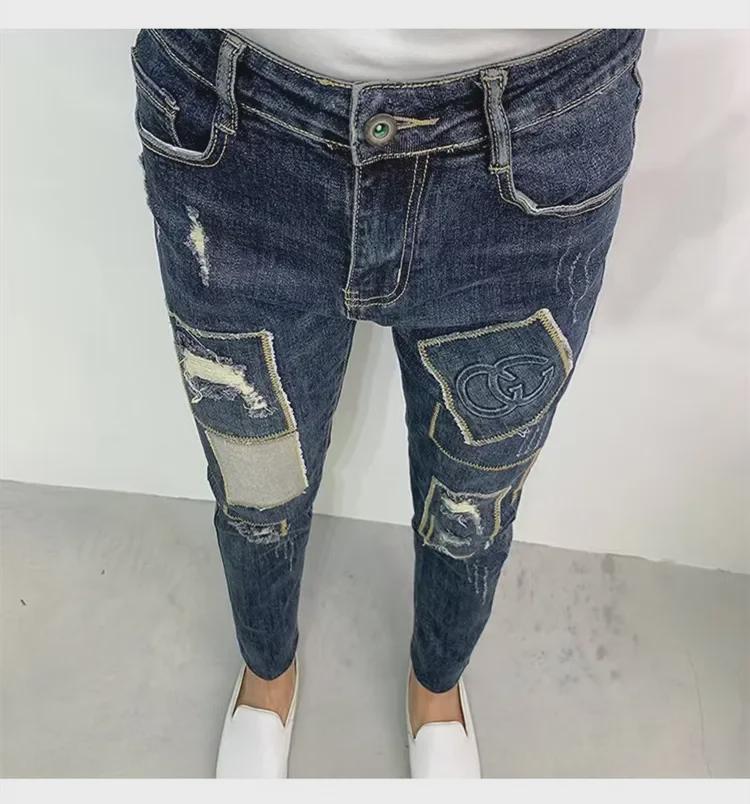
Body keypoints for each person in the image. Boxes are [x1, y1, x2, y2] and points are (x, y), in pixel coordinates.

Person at [131, 27, 644, 778]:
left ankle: (437, 684)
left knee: (473, 497)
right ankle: (267, 669)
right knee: (255, 485)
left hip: (540, 133)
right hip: (229, 122)